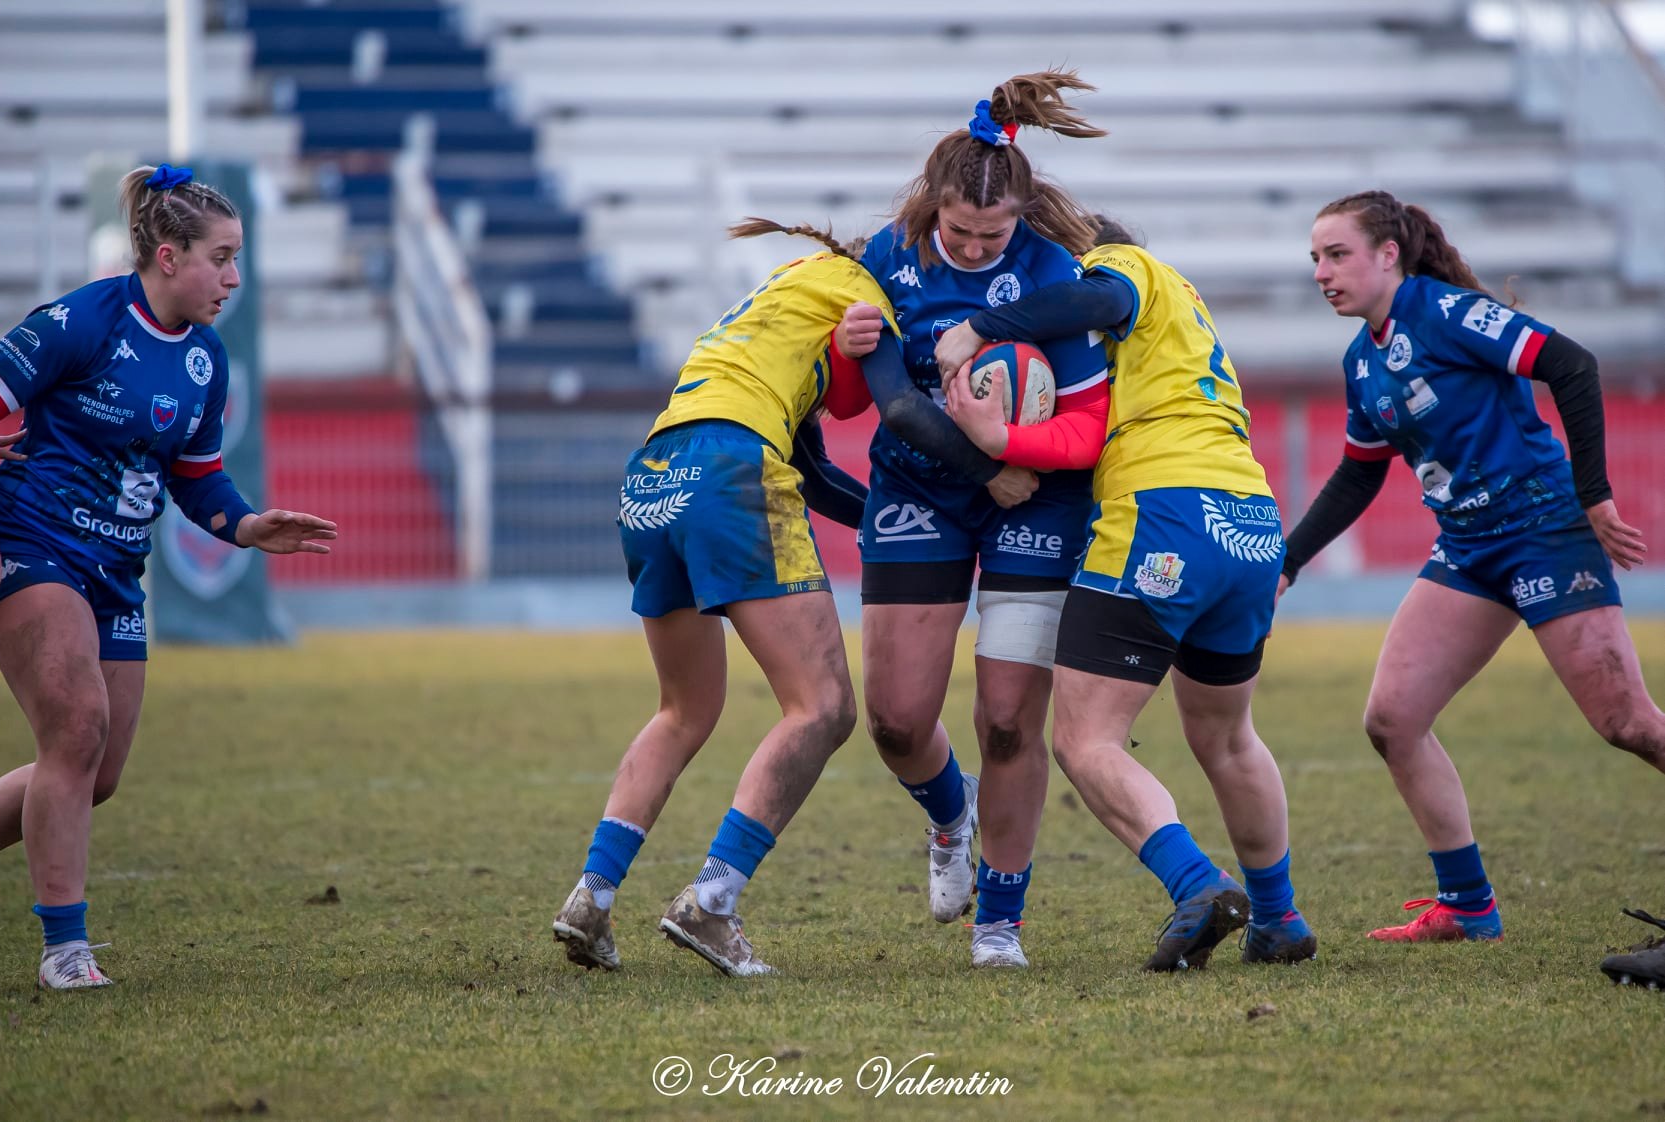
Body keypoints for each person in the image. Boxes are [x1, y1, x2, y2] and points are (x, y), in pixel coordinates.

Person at [0, 164, 338, 989]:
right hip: (35, 547)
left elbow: (196, 476)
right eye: (222, 257)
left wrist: (247, 525)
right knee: (74, 730)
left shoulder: (205, 362)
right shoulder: (83, 319)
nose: (234, 278)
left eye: (239, 258)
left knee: (94, 773)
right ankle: (65, 951)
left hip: (116, 571)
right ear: (168, 257)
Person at [1280, 189, 1665, 944]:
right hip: (1467, 548)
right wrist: (1287, 562)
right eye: (1314, 259)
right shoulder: (1363, 359)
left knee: (1626, 724)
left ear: (1387, 255)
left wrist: (1592, 496)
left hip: (1544, 530)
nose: (1322, 273)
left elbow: (1571, 365)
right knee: (1392, 721)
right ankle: (1466, 905)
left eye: (1336, 255)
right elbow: (1359, 474)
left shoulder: (1445, 313)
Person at [936, 216, 1318, 969]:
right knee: (1226, 735)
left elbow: (1093, 301)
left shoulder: (1126, 268)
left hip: (1162, 515)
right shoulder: (1187, 315)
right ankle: (1277, 919)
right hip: (1246, 515)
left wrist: (977, 327)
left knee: (1085, 739)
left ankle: (1196, 884)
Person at [550, 222, 898, 977]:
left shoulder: (779, 298)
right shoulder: (868, 292)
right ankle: (711, 902)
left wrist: (887, 520)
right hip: (730, 469)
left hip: (653, 471)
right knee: (824, 707)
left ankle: (592, 895)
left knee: (683, 710)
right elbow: (881, 400)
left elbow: (812, 465)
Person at [833, 71, 1109, 970]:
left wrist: (1016, 461)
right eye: (961, 232)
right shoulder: (885, 255)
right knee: (897, 724)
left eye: (995, 233)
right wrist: (849, 358)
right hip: (922, 489)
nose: (979, 245)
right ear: (932, 209)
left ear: (1020, 218)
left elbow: (1083, 420)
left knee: (1004, 721)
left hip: (1039, 496)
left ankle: (1001, 922)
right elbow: (859, 407)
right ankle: (949, 817)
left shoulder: (1053, 272)